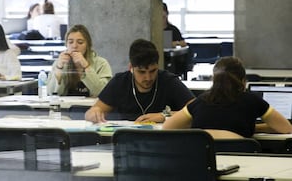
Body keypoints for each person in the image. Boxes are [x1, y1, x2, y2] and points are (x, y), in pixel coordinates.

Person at [162, 56, 292, 138]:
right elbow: (286, 128)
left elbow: (168, 127)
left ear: (213, 80)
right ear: (243, 81)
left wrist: (199, 129)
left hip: (204, 168)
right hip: (243, 164)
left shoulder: (200, 101)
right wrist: (254, 127)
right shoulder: (253, 101)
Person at [85, 39, 194, 123]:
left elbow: (197, 110)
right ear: (131, 68)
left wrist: (164, 116)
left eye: (153, 71)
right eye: (141, 72)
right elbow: (90, 113)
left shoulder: (168, 81)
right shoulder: (120, 82)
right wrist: (94, 113)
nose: (148, 77)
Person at [47, 24, 112, 97]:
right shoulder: (60, 63)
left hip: (92, 107)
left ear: (88, 45)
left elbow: (103, 93)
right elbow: (51, 94)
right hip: (65, 107)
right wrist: (59, 68)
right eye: (70, 42)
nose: (74, 46)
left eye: (80, 42)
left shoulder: (101, 64)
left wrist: (86, 66)